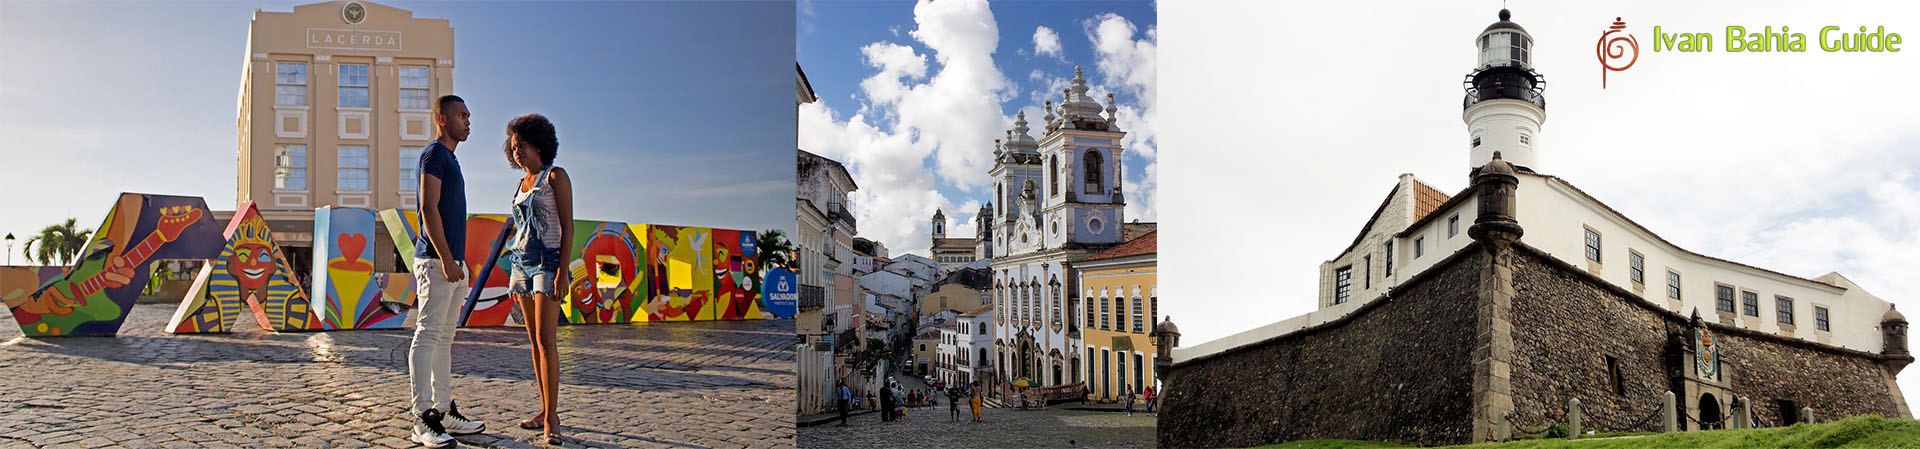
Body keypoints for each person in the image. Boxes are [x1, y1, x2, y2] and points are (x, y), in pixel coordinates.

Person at [408, 95, 486, 448]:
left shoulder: (451, 159)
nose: (468, 120)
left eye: (468, 115)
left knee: (443, 339)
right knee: (427, 335)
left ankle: (444, 410)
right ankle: (422, 418)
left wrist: (459, 261)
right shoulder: (435, 154)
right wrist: (446, 258)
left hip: (453, 263)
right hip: (437, 262)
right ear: (442, 119)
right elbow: (428, 207)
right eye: (461, 115)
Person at [501, 113, 573, 445]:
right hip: (521, 263)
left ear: (539, 144)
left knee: (547, 341)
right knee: (532, 342)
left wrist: (562, 270)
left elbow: (567, 227)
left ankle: (554, 417)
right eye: (514, 147)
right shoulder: (520, 185)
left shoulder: (555, 177)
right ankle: (543, 410)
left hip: (548, 262)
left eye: (523, 145)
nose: (517, 152)